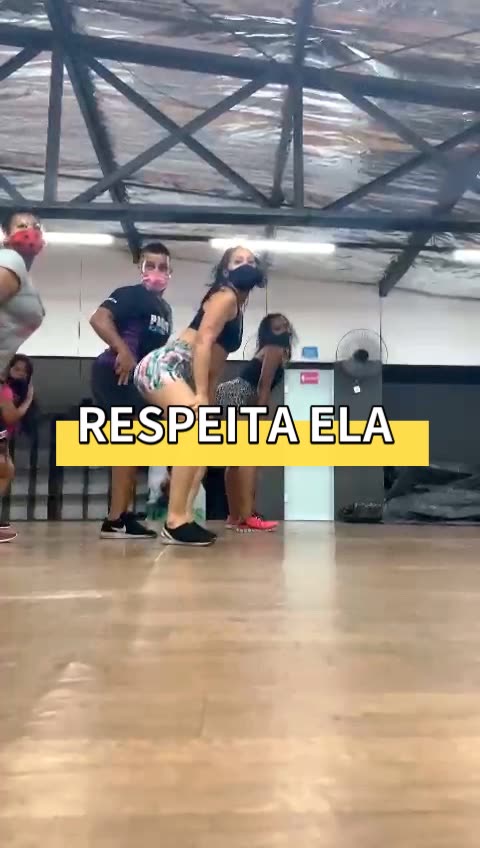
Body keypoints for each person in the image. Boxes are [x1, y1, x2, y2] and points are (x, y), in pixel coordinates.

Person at [134, 244, 265, 547]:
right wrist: (202, 394)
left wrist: (209, 401)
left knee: (203, 445)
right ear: (225, 270)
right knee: (192, 435)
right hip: (165, 366)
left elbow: (214, 363)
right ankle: (175, 522)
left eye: (250, 260)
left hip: (185, 375)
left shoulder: (237, 305)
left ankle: (185, 517)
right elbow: (204, 342)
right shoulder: (225, 295)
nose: (245, 264)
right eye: (237, 260)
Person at [90, 242, 173, 540]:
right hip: (116, 371)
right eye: (150, 265)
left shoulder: (165, 309)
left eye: (162, 267)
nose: (156, 272)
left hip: (139, 379)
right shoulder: (130, 294)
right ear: (141, 269)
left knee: (134, 446)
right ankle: (115, 519)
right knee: (127, 444)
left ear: (170, 272)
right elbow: (98, 318)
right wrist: (122, 349)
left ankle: (122, 516)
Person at [216, 313, 295, 532]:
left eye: (286, 326)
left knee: (235, 460)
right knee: (248, 457)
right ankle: (247, 516)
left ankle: (234, 516)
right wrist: (261, 415)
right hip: (238, 394)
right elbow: (263, 385)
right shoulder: (274, 349)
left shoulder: (271, 349)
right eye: (278, 327)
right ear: (269, 331)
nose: (285, 330)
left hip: (229, 392)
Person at [0, 209, 45, 543]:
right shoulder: (10, 261)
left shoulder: (22, 273)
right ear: (6, 234)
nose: (29, 231)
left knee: (4, 467)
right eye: (21, 226)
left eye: (35, 226)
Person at [0, 354, 36, 541]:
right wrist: (29, 399)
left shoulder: (12, 392)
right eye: (16, 369)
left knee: (7, 471)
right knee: (6, 470)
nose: (20, 374)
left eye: (25, 372)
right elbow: (11, 417)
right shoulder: (5, 389)